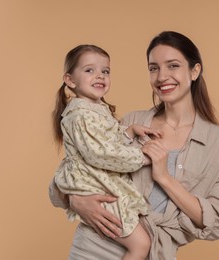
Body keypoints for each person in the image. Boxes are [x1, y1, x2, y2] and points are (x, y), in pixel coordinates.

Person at [49, 31, 219, 260]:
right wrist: (76, 200)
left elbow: (218, 221)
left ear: (194, 71)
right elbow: (74, 171)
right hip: (93, 247)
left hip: (153, 253)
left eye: (173, 66)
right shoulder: (131, 123)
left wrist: (164, 178)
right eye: (154, 68)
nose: (162, 77)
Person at [51, 44, 164, 260]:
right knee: (141, 244)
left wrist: (128, 132)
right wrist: (142, 157)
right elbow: (101, 154)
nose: (99, 76)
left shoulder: (96, 108)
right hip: (94, 184)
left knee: (140, 241)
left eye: (105, 71)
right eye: (89, 70)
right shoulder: (80, 114)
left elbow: (105, 141)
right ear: (70, 80)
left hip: (100, 180)